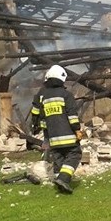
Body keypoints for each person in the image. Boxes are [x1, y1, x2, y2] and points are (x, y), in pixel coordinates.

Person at [30, 65, 82, 194]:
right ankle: (63, 179)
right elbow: (72, 115)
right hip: (68, 135)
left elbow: (37, 114)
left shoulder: (43, 96)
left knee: (59, 157)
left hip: (52, 136)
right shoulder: (66, 95)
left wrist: (41, 131)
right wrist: (77, 130)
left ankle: (59, 181)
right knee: (74, 154)